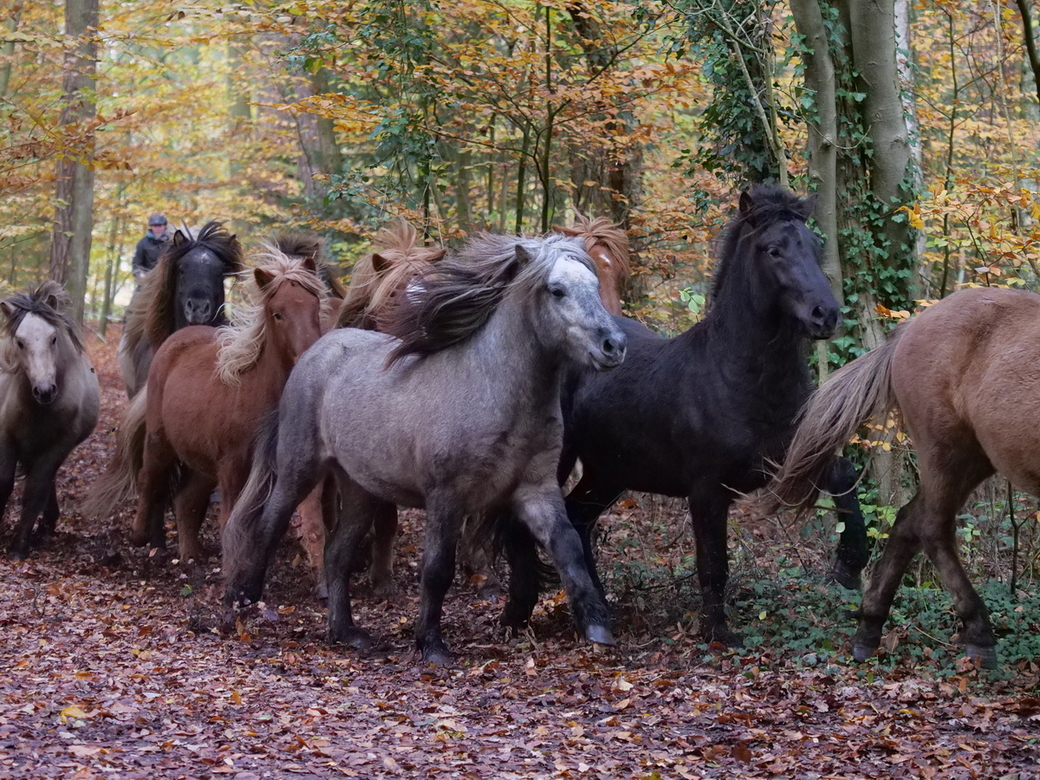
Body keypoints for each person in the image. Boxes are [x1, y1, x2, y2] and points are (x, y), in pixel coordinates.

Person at [132, 213, 171, 278]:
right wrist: (140, 275)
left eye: (160, 225)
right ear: (151, 227)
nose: (157, 228)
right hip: (149, 278)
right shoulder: (142, 243)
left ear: (164, 226)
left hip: (169, 277)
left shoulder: (172, 242)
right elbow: (136, 264)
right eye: (155, 226)